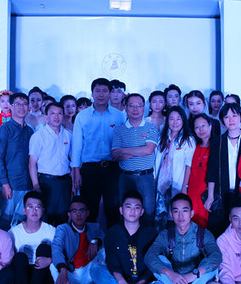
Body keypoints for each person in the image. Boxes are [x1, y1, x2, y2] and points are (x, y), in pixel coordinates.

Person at [145, 194, 221, 284]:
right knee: (158, 261)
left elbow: (217, 256)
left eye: (184, 211)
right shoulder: (165, 235)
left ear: (191, 213)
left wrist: (195, 274)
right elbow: (149, 256)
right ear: (171, 214)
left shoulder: (203, 233)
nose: (180, 215)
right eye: (176, 211)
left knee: (212, 265)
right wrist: (170, 273)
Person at [90, 191, 162, 284]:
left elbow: (152, 266)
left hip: (143, 283)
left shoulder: (151, 233)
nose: (132, 211)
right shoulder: (112, 233)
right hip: (120, 283)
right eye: (128, 207)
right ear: (121, 210)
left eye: (137, 207)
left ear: (142, 211)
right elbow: (113, 264)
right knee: (95, 269)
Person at [71, 78, 125, 227]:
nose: (101, 94)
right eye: (98, 91)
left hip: (113, 169)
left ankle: (113, 240)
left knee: (113, 210)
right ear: (92, 93)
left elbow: (123, 143)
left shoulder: (119, 115)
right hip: (89, 169)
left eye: (105, 91)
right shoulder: (82, 116)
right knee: (90, 210)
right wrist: (76, 171)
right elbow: (77, 146)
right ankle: (89, 241)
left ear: (110, 93)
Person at [50, 196, 105, 284]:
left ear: (87, 213)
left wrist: (95, 241)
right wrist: (63, 269)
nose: (78, 214)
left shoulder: (94, 227)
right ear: (69, 214)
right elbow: (56, 247)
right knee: (53, 265)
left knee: (106, 251)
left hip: (91, 276)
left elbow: (103, 237)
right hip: (72, 277)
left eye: (82, 210)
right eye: (74, 211)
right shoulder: (63, 229)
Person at [112, 93, 159, 227]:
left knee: (148, 213)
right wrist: (140, 150)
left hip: (146, 177)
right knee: (125, 214)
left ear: (144, 107)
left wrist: (124, 150)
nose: (135, 109)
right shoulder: (119, 130)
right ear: (125, 107)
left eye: (139, 105)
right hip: (125, 177)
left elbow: (148, 150)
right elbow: (115, 155)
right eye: (131, 105)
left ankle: (147, 240)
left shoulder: (151, 127)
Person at [205, 102, 241, 237]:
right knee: (220, 229)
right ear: (222, 120)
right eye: (226, 117)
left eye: (234, 116)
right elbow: (212, 170)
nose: (231, 120)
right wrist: (210, 196)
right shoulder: (218, 141)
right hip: (221, 192)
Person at [9, 191, 56, 284]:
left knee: (44, 247)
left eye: (38, 207)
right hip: (22, 277)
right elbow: (8, 261)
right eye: (30, 207)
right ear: (24, 210)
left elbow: (63, 255)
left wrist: (50, 260)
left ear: (43, 210)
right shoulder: (14, 232)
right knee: (19, 256)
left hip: (43, 278)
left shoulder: (51, 231)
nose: (34, 210)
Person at [0, 92, 34, 230]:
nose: (21, 107)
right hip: (10, 184)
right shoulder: (4, 130)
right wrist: (5, 184)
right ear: (11, 106)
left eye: (25, 104)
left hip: (27, 183)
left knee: (22, 223)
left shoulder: (29, 131)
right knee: (5, 222)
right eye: (17, 104)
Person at [29, 102, 72, 226]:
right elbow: (32, 163)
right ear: (47, 117)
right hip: (46, 182)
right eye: (52, 113)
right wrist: (36, 185)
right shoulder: (39, 136)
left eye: (59, 113)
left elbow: (72, 160)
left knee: (63, 218)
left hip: (64, 182)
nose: (56, 116)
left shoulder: (68, 135)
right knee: (46, 217)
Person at [155, 106, 196, 230]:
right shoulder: (161, 137)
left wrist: (184, 186)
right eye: (172, 119)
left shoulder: (188, 140)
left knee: (174, 217)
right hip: (160, 185)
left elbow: (189, 165)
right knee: (160, 217)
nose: (175, 122)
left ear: (183, 120)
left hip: (177, 184)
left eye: (178, 119)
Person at [188, 114, 213, 229]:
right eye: (197, 127)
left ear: (210, 126)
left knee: (205, 227)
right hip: (192, 194)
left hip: (206, 195)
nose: (200, 130)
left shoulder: (216, 147)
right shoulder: (194, 146)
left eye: (203, 126)